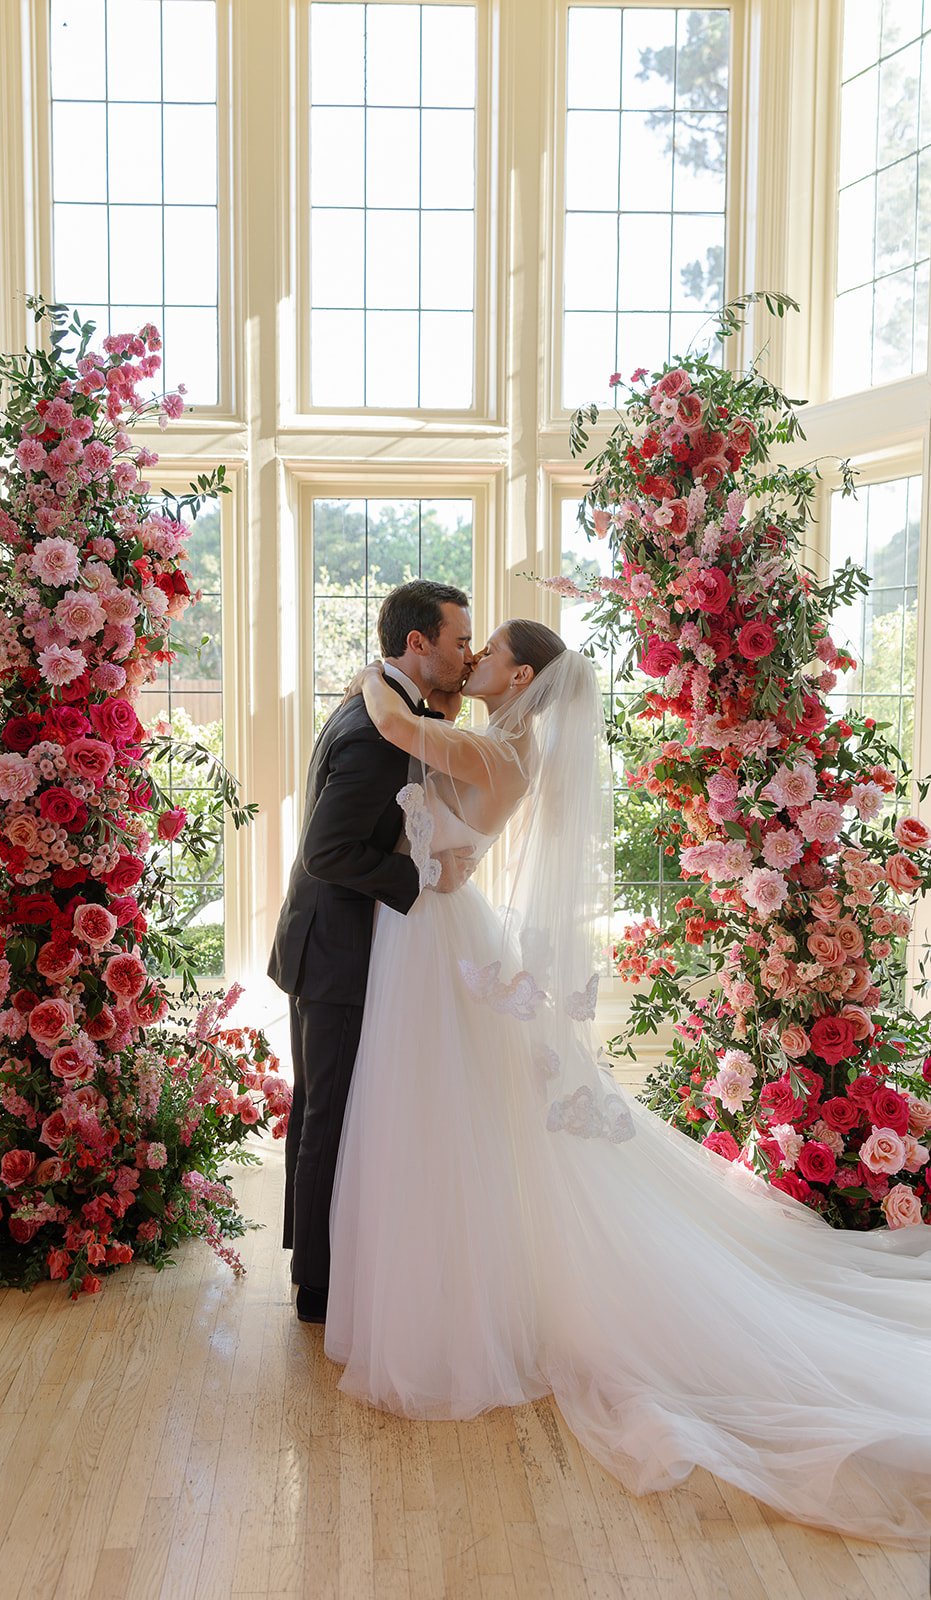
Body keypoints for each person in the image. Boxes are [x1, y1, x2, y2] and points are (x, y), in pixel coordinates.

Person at [324, 619, 931, 1542]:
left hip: (437, 937)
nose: (472, 656)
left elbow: (398, 726)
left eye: (483, 651)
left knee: (447, 1116)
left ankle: (456, 1304)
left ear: (518, 674)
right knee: (459, 1119)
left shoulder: (493, 746)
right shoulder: (499, 738)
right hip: (430, 932)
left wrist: (384, 676)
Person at [268, 579, 477, 1324]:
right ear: (417, 644)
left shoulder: (380, 707)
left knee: (326, 1110)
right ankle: (318, 1290)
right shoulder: (373, 733)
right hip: (337, 951)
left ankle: (319, 1263)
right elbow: (327, 849)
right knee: (327, 1112)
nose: (467, 654)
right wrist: (420, 874)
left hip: (332, 942)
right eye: (457, 641)